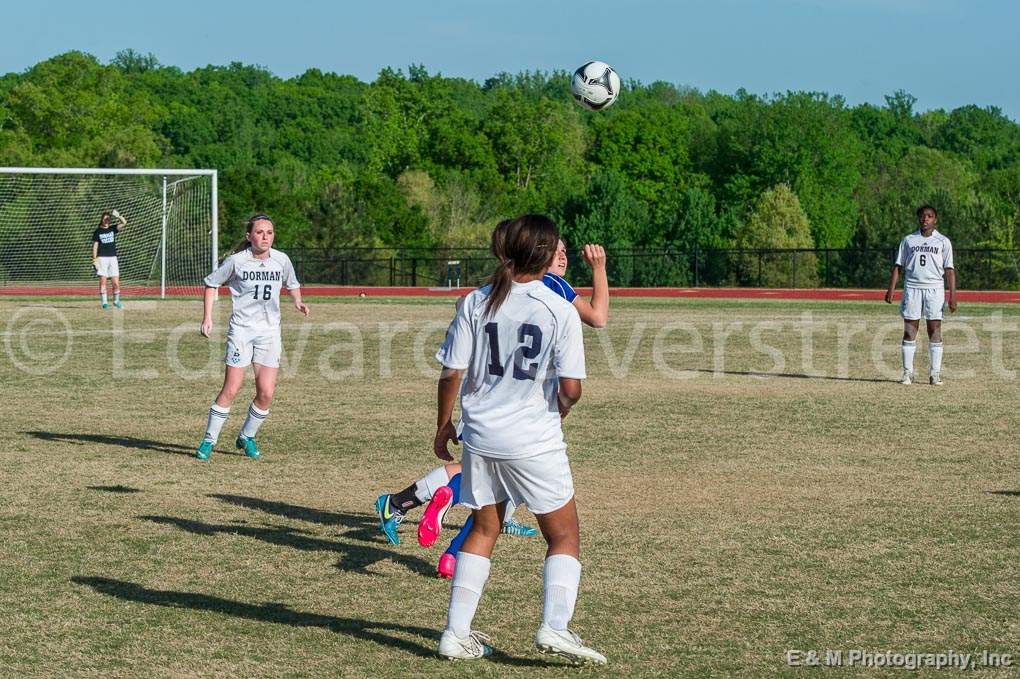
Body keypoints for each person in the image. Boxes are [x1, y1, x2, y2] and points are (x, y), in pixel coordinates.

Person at [375, 239, 609, 576]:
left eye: (564, 250)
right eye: (554, 248)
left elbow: (457, 350)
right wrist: (599, 269)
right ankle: (451, 545)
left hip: (484, 402)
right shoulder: (552, 285)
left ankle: (403, 503)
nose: (561, 255)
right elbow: (598, 318)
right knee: (520, 493)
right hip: (524, 408)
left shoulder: (494, 287)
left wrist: (444, 421)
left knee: (488, 477)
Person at [433, 214, 606, 664]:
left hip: (480, 437)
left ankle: (456, 633)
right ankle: (555, 627)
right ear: (545, 253)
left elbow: (452, 373)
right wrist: (560, 409)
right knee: (564, 536)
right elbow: (571, 389)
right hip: (533, 440)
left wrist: (443, 424)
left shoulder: (475, 301)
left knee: (484, 528)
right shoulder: (558, 307)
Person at [195, 214, 309, 460]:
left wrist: (297, 301)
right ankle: (208, 441)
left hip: (269, 333)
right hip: (242, 331)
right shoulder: (237, 261)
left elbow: (292, 283)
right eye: (259, 232)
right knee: (231, 389)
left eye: (269, 232)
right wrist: (207, 317)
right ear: (249, 236)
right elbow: (211, 283)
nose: (265, 236)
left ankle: (246, 436)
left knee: (266, 393)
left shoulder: (281, 260)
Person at [884, 205, 957, 386]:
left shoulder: (943, 241)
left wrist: (952, 296)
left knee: (934, 331)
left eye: (930, 216)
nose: (926, 219)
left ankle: (935, 374)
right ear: (918, 218)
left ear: (935, 219)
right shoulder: (909, 240)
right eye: (923, 216)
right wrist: (891, 289)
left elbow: (949, 271)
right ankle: (907, 373)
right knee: (910, 331)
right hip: (912, 288)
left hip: (935, 289)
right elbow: (898, 266)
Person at [91, 209, 128, 309]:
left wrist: (118, 216)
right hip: (102, 258)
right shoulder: (97, 231)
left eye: (108, 218)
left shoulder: (112, 228)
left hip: (113, 258)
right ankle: (104, 303)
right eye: (105, 218)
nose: (107, 220)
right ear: (102, 219)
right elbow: (95, 246)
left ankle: (116, 301)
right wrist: (94, 260)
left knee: (116, 281)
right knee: (103, 281)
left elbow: (124, 223)